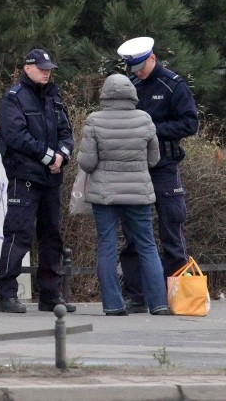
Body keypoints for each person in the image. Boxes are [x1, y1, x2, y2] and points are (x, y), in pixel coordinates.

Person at [116, 37, 199, 313]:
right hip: (137, 166)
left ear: (152, 58)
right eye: (133, 69)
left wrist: (152, 129)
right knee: (132, 232)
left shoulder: (173, 85)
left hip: (164, 166)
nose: (136, 72)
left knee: (171, 229)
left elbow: (189, 123)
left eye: (140, 66)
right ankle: (137, 294)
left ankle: (177, 293)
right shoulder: (135, 86)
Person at [77, 73, 169, 315]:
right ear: (132, 95)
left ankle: (113, 305)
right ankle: (159, 303)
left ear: (105, 95)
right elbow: (154, 158)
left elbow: (87, 163)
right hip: (138, 191)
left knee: (107, 246)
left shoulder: (94, 121)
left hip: (104, 194)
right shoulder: (145, 119)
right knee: (147, 245)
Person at [0, 48, 76, 314]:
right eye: (42, 68)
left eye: (49, 69)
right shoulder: (14, 98)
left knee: (52, 237)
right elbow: (16, 136)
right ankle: (7, 294)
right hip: (25, 177)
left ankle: (50, 295)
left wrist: (62, 156)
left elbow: (67, 132)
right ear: (27, 68)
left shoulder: (53, 97)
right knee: (18, 234)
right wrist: (47, 156)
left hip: (51, 177)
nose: (46, 73)